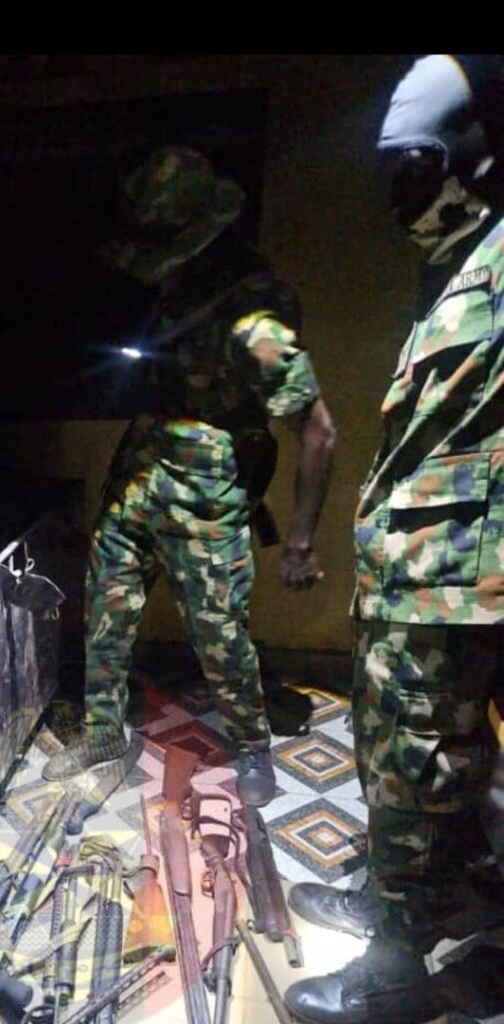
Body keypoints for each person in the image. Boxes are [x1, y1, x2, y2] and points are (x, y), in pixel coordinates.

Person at [285, 54, 504, 1024]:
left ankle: (395, 972)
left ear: (470, 155)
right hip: (418, 581)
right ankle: (411, 897)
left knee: (419, 765)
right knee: (403, 760)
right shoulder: (455, 269)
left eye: (413, 168)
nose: (395, 197)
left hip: (459, 586)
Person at [43, 146, 336, 807]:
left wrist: (299, 542)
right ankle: (103, 734)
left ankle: (251, 745)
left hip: (206, 504)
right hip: (137, 483)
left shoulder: (256, 315)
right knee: (105, 618)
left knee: (219, 638)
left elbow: (317, 430)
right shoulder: (178, 288)